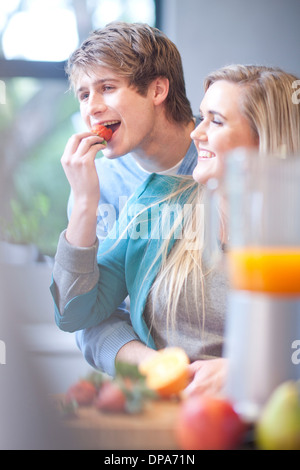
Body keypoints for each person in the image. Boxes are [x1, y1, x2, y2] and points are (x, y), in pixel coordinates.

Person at [51, 59, 300, 395]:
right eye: (203, 115)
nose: (197, 132)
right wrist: (83, 202)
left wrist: (249, 369)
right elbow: (74, 313)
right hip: (168, 420)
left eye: (216, 121)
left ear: (265, 140)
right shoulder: (157, 205)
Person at [54, 21, 200, 377]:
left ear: (158, 90)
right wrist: (158, 367)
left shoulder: (221, 157)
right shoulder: (95, 182)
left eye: (107, 87)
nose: (92, 107)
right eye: (85, 94)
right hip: (156, 384)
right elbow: (81, 316)